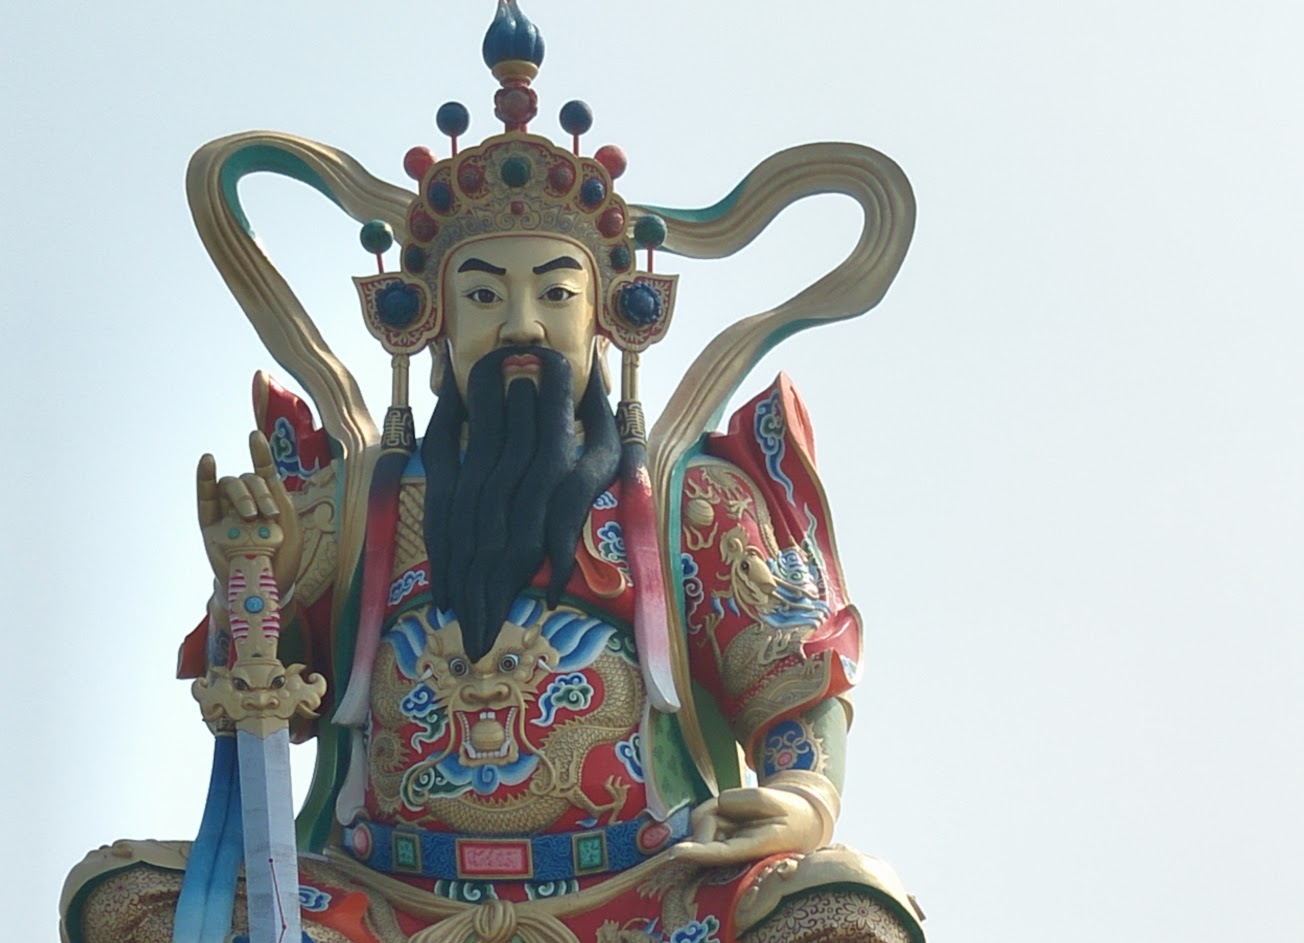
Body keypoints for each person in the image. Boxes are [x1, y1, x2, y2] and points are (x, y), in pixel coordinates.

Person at [60, 4, 925, 942]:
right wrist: (249, 577)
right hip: (384, 904)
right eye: (482, 295)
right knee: (120, 894)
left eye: (555, 292)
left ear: (607, 320)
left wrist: (802, 795)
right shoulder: (349, 505)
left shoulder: (691, 505)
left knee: (843, 909)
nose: (520, 324)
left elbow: (790, 681)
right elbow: (258, 703)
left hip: (638, 899)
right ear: (429, 322)